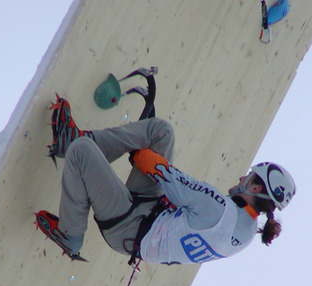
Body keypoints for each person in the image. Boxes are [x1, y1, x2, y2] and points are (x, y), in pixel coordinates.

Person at [36, 97, 296, 265]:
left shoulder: (219, 208)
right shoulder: (247, 234)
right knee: (162, 134)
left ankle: (70, 234)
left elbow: (161, 171)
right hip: (146, 219)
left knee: (82, 151)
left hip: (128, 225)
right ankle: (73, 142)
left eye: (248, 177)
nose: (241, 178)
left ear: (255, 187)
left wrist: (137, 151)